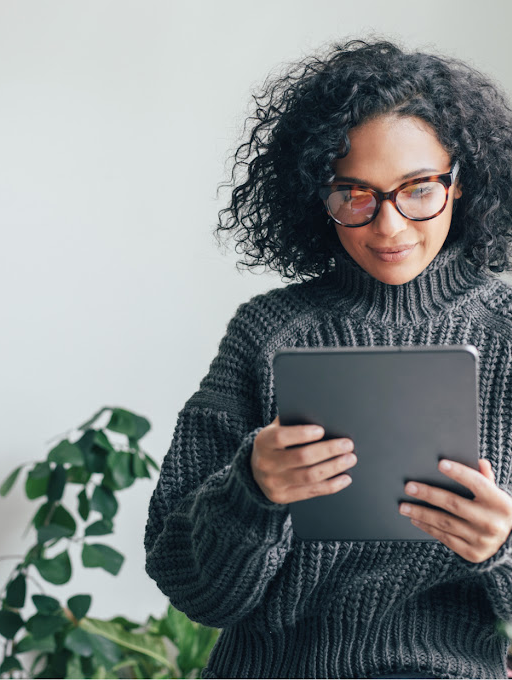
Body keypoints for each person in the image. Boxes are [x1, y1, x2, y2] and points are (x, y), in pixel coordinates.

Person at [144, 38, 512, 679]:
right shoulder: (266, 333)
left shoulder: (506, 333)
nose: (390, 226)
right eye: (355, 194)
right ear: (318, 195)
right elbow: (190, 586)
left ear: (461, 181)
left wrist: (502, 550)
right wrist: (252, 493)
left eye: (418, 188)